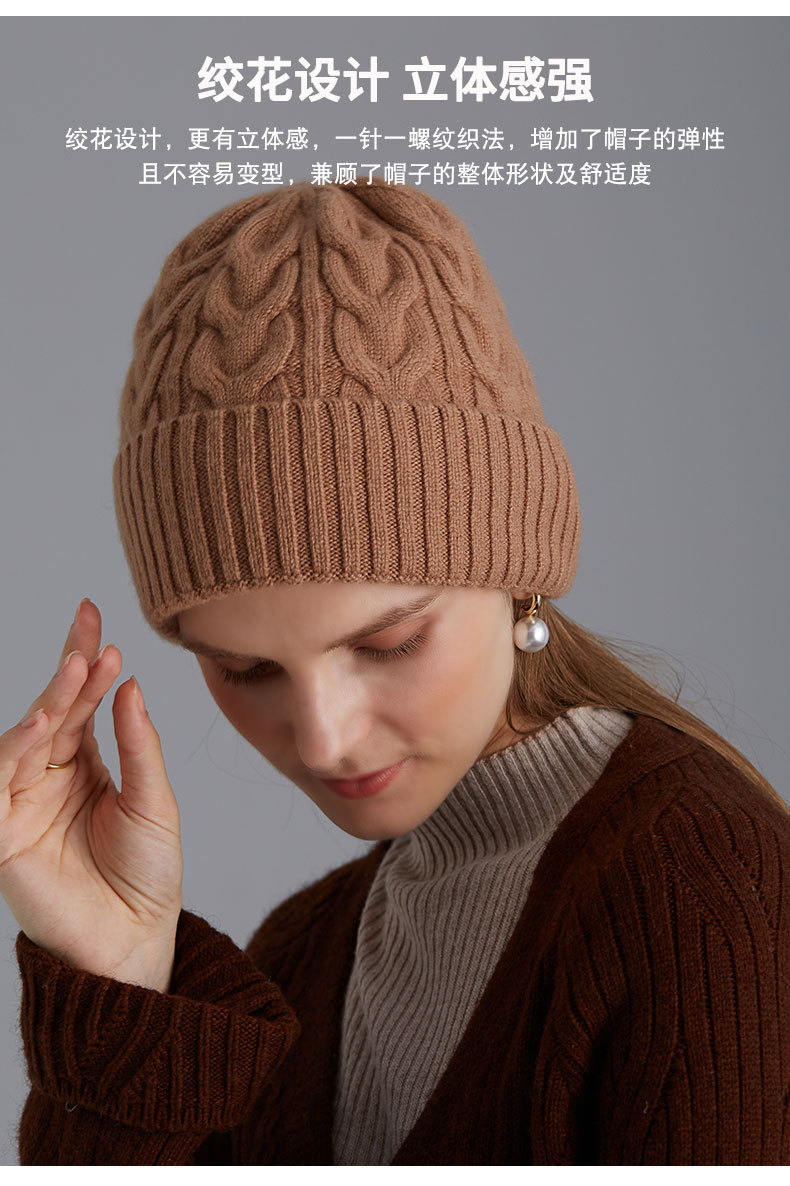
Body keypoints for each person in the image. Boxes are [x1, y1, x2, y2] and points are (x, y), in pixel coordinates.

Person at [4, 176, 789, 1166]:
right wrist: (118, 981)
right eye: (244, 668)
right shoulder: (298, 955)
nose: (323, 737)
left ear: (519, 570)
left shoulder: (704, 897)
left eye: (388, 644)